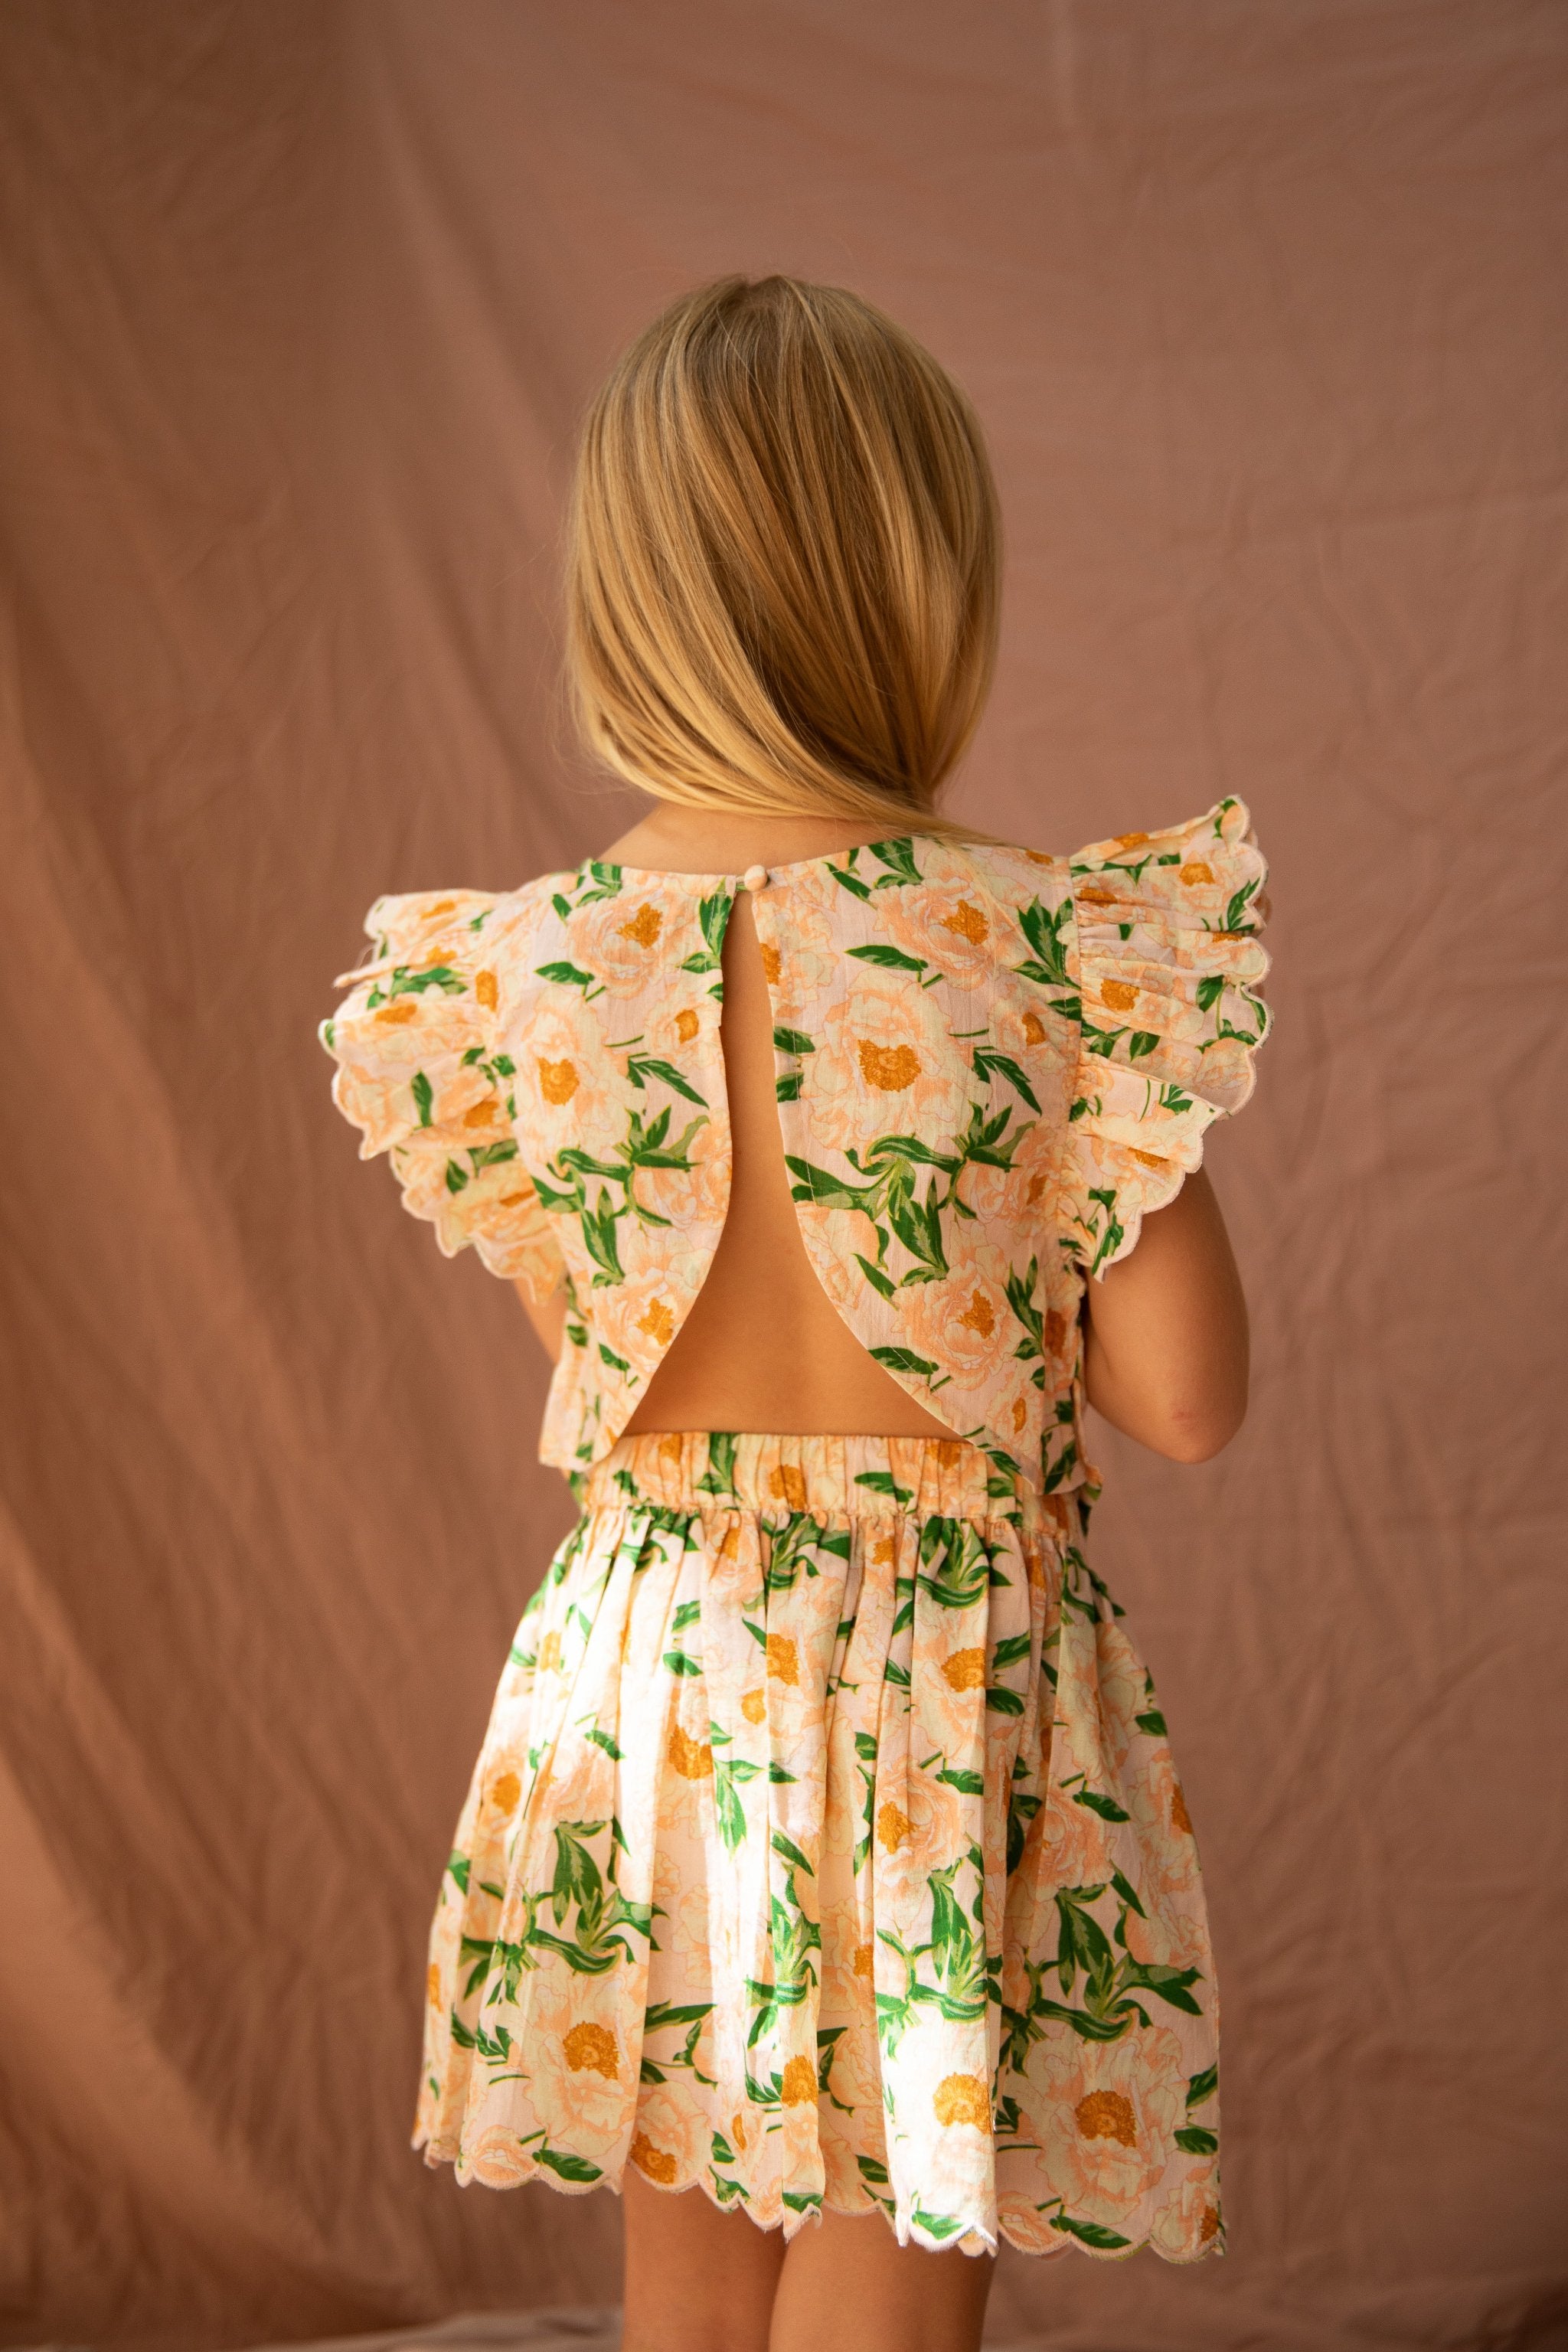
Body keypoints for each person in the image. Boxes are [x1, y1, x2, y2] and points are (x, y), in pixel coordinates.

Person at [319, 275, 1269, 2352]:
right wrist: (1117, 1127)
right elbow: (1185, 1401)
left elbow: (606, 1363)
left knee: (689, 2227)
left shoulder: (521, 975)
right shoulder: (1044, 946)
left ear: (622, 599)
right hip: (937, 1682)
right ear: (922, 591)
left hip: (642, 1679)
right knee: (886, 2236)